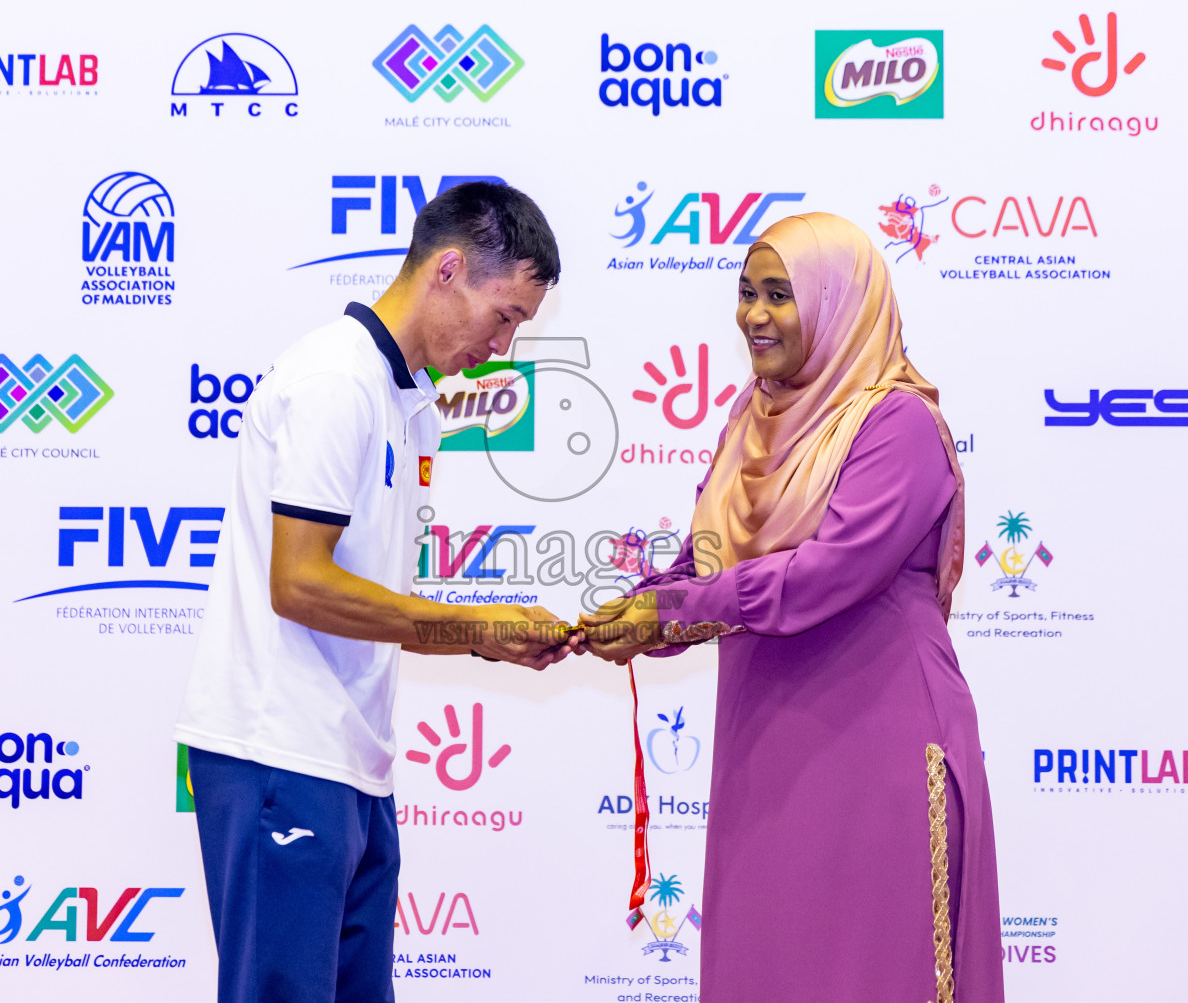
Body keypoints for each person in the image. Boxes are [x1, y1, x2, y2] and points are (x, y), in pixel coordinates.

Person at [175, 181, 580, 1003]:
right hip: (277, 753)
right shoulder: (338, 381)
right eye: (504, 316)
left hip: (349, 759)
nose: (503, 348)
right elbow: (300, 582)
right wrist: (473, 628)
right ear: (450, 270)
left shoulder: (408, 399)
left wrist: (481, 631)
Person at [583, 213, 1003, 1002]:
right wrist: (624, 618)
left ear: (839, 305)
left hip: (876, 741)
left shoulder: (897, 422)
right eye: (746, 293)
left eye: (781, 295)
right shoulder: (753, 421)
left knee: (875, 969)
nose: (754, 315)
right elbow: (707, 570)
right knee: (766, 966)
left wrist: (671, 610)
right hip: (766, 743)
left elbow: (826, 573)